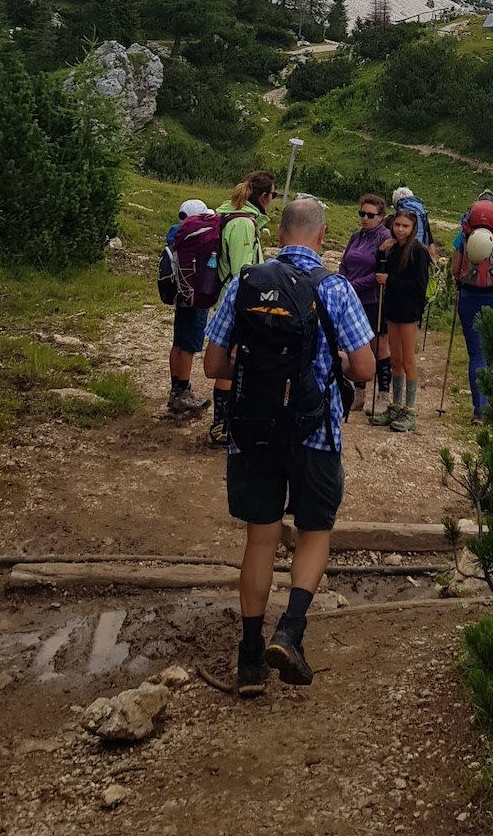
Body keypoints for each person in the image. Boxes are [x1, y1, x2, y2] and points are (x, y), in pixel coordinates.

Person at [203, 195, 375, 697]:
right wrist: (329, 368)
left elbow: (213, 366)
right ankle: (291, 631)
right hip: (314, 432)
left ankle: (250, 657)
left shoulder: (244, 284)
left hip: (253, 429)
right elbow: (364, 369)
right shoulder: (336, 289)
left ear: (278, 234)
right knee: (315, 529)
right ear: (321, 237)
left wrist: (258, 375)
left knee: (260, 537)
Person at [208, 170, 276, 449]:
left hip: (231, 300)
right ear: (262, 196)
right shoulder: (243, 224)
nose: (272, 200)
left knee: (235, 361)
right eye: (272, 195)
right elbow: (241, 271)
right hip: (237, 304)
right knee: (231, 362)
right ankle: (221, 426)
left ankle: (228, 422)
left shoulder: (233, 215)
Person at [451, 189, 493, 421]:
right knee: (492, 351)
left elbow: (454, 270)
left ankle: (479, 411)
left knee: (476, 354)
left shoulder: (463, 235)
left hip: (469, 297)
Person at [373, 201, 431, 431]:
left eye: (405, 226)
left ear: (413, 227)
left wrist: (390, 282)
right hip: (394, 308)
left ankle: (410, 410)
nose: (400, 229)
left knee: (408, 359)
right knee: (395, 358)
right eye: (397, 224)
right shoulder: (394, 248)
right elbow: (380, 272)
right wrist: (380, 253)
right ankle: (396, 406)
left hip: (408, 311)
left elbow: (419, 286)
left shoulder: (417, 251)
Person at [158, 197, 214, 416]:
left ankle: (175, 390)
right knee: (189, 346)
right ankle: (184, 393)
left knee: (179, 342)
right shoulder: (196, 238)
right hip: (195, 296)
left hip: (180, 295)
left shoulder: (176, 235)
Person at [338, 191, 391, 409]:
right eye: (362, 214)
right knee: (357, 346)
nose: (365, 218)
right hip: (354, 300)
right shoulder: (356, 236)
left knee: (379, 347)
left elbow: (379, 273)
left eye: (370, 215)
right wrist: (341, 280)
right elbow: (345, 261)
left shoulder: (385, 238)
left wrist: (350, 285)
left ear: (381, 216)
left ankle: (383, 394)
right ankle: (359, 393)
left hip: (375, 299)